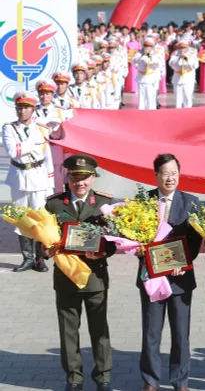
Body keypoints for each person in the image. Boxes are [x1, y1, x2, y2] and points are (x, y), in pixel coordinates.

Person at [44, 154, 116, 391]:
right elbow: (42, 237)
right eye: (75, 177)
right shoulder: (54, 204)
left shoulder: (105, 204)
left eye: (85, 177)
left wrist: (103, 251)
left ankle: (103, 376)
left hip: (95, 277)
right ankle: (74, 377)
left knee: (100, 329)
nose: (80, 183)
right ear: (68, 177)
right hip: (66, 278)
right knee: (68, 331)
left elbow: (115, 240)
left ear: (93, 178)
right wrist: (45, 251)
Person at [138, 154, 202, 391]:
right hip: (151, 277)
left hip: (180, 278)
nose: (170, 178)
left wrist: (183, 261)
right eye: (165, 173)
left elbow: (196, 240)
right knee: (151, 333)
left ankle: (180, 382)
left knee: (180, 334)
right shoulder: (142, 201)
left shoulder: (191, 202)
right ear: (156, 175)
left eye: (174, 172)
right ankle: (150, 381)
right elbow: (133, 235)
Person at [3, 91, 52, 272]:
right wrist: (36, 140)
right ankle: (27, 258)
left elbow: (48, 153)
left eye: (26, 108)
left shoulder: (42, 127)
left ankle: (40, 259)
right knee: (21, 219)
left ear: (33, 109)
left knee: (39, 218)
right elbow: (13, 151)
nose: (22, 111)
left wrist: (51, 180)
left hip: (38, 175)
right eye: (19, 108)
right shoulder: (9, 128)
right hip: (19, 177)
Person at [133, 37, 163, 110]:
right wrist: (142, 55)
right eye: (146, 46)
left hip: (150, 78)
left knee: (150, 98)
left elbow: (157, 63)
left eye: (149, 46)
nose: (147, 48)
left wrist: (148, 56)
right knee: (141, 99)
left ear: (152, 47)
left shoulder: (155, 53)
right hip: (141, 77)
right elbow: (134, 61)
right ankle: (141, 113)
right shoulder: (139, 53)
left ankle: (150, 113)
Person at [168, 40, 198, 108]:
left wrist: (186, 59)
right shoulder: (175, 54)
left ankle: (188, 113)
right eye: (180, 48)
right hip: (178, 79)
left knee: (187, 98)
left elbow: (195, 65)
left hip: (188, 79)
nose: (182, 50)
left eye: (184, 48)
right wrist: (179, 58)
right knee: (178, 100)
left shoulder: (192, 54)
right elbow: (171, 63)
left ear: (187, 48)